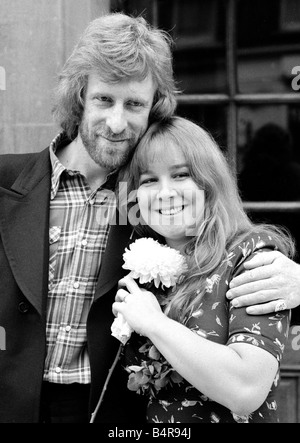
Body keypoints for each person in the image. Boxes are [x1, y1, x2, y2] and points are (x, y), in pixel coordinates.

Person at [0, 12, 178, 423]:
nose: (117, 123)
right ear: (80, 96)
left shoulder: (161, 200)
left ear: (154, 109)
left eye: (134, 104)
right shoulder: (5, 180)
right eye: (104, 99)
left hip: (109, 411)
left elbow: (228, 258)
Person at [113, 116, 294, 423]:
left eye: (180, 175)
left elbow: (245, 390)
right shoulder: (146, 267)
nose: (165, 193)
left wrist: (155, 323)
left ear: (208, 182)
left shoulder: (249, 255)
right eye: (149, 180)